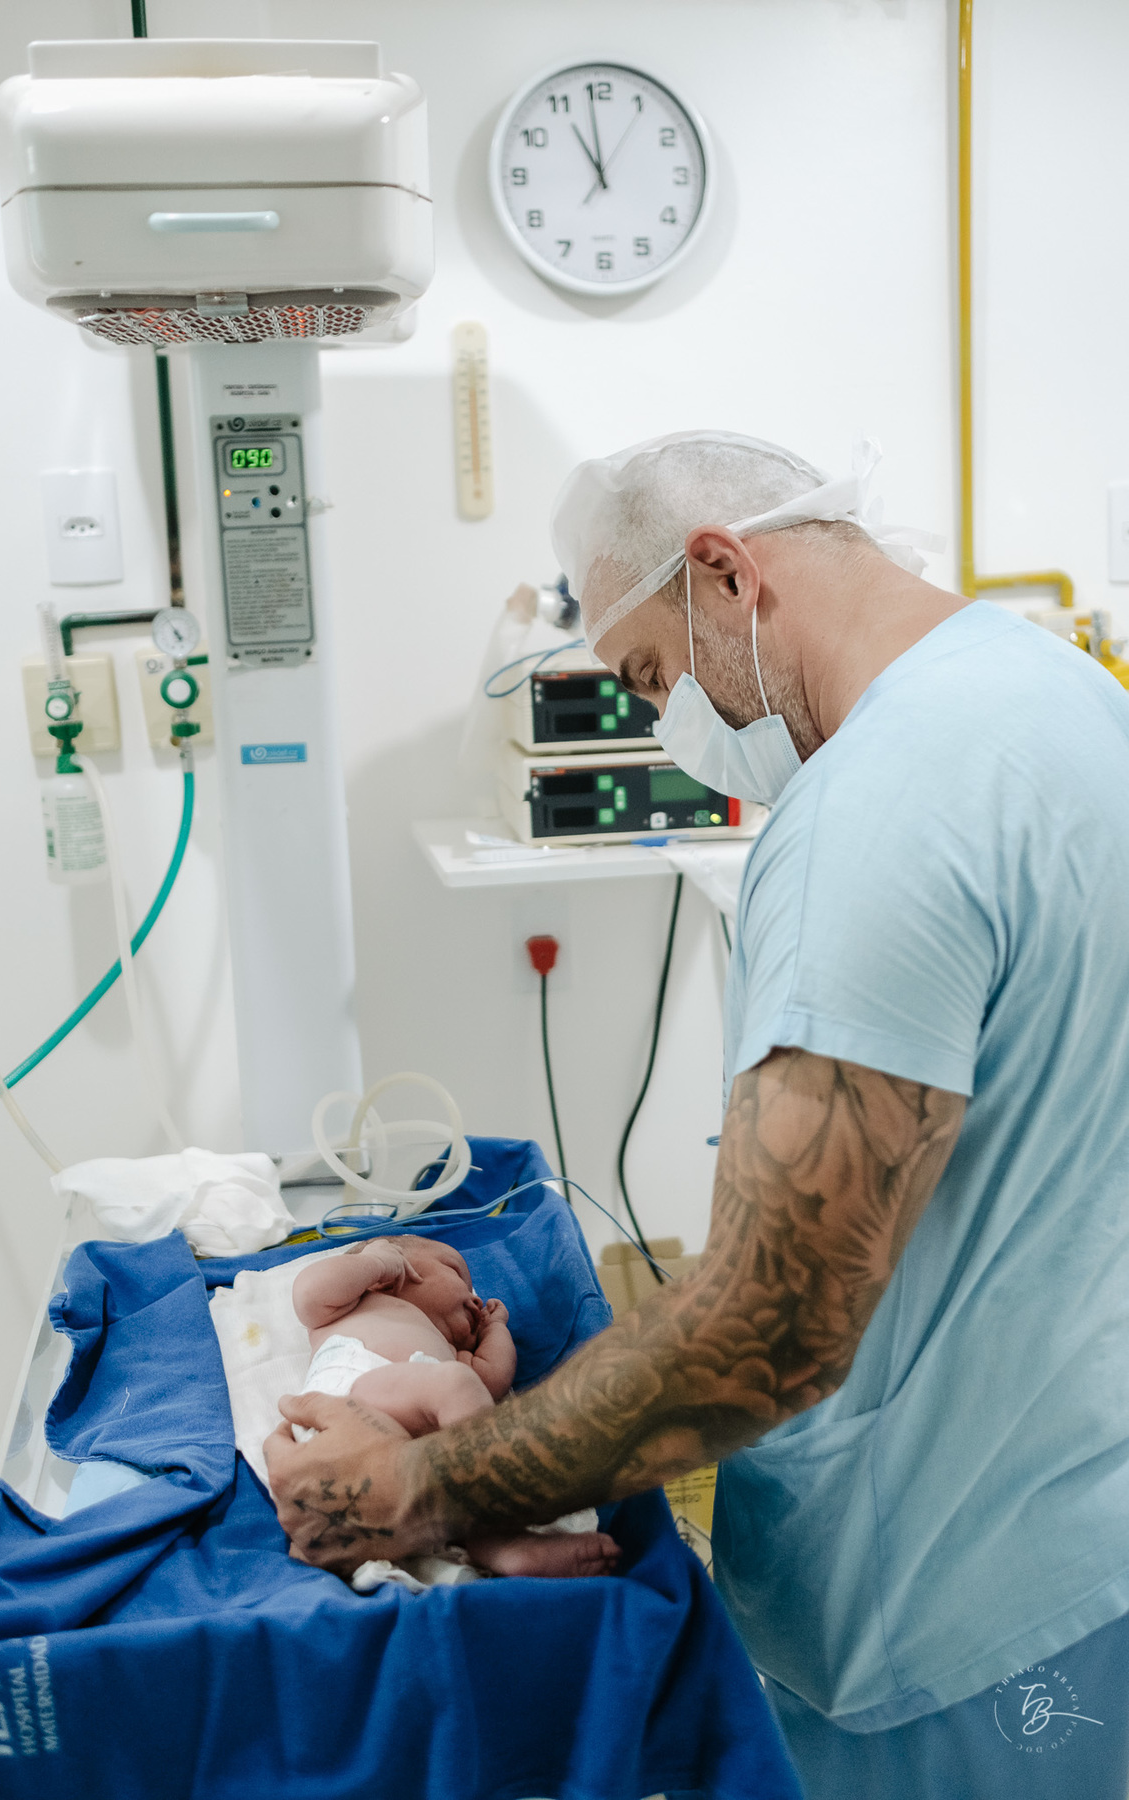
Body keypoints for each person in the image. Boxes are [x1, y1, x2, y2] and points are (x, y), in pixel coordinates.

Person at [266, 432, 1129, 1798]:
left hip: (949, 1614)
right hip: (1086, 1538)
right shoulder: (1067, 699)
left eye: (654, 679)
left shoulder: (880, 818)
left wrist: (420, 1490)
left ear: (724, 573)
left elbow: (766, 1335)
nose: (671, 726)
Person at [291, 1234, 620, 1578]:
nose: (475, 1297)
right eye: (457, 1273)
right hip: (348, 1411)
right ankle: (495, 1538)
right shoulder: (358, 1301)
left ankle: (459, 1537)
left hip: (394, 1490)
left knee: (467, 1401)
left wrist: (495, 1330)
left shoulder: (448, 1356)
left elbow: (492, 1381)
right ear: (393, 1274)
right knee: (458, 1388)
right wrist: (374, 1261)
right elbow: (308, 1292)